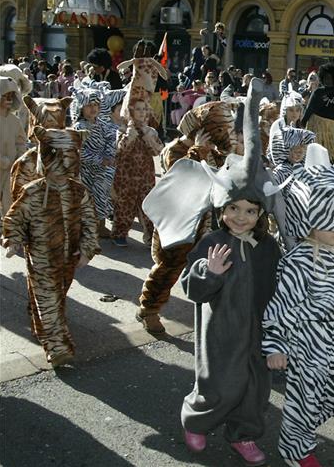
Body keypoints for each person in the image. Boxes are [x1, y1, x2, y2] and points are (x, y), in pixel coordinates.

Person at [142, 80, 281, 465]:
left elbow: (279, 289)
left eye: (250, 211)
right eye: (233, 210)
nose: (241, 217)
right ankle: (197, 421)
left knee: (255, 389)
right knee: (219, 384)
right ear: (220, 211)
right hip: (219, 332)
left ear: (261, 214)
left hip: (257, 329)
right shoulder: (211, 243)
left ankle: (243, 434)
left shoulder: (267, 247)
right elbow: (193, 287)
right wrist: (209, 271)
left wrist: (278, 337)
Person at [263, 144, 334, 467]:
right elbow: (280, 307)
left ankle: (304, 432)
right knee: (304, 398)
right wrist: (274, 346)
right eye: (329, 222)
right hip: (304, 340)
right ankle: (295, 449)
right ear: (308, 218)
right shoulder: (297, 262)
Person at [135, 100, 239, 334]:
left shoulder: (216, 153)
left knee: (216, 267)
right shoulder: (176, 149)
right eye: (220, 130)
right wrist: (197, 151)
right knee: (169, 267)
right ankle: (148, 309)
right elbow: (180, 175)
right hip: (179, 223)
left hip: (207, 224)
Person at [1, 126, 100, 367]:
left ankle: (43, 326)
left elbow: (89, 221)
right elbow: (15, 217)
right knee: (48, 298)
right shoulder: (33, 192)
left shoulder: (78, 192)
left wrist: (87, 249)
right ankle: (57, 347)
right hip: (42, 256)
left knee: (57, 296)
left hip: (70, 257)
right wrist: (12, 240)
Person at [111, 99, 164, 247]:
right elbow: (119, 152)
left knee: (148, 206)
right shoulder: (122, 130)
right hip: (126, 176)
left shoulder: (151, 131)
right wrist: (130, 135)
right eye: (138, 109)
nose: (142, 112)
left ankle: (150, 237)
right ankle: (119, 233)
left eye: (144, 109)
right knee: (124, 205)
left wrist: (149, 138)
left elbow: (158, 151)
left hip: (146, 175)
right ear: (131, 112)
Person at [70, 80, 117, 237]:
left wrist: (109, 155)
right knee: (87, 197)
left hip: (103, 168)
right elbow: (79, 150)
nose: (93, 109)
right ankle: (87, 226)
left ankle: (101, 223)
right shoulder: (79, 127)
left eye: (96, 105)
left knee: (102, 194)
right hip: (86, 169)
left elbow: (112, 138)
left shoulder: (103, 124)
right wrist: (98, 159)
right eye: (89, 105)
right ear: (81, 108)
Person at [301, 63, 334, 163]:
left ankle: (327, 173)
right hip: (316, 125)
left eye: (330, 78)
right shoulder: (318, 92)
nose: (328, 80)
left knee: (329, 156)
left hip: (332, 127)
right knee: (316, 153)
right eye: (326, 78)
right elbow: (309, 108)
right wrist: (303, 122)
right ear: (322, 78)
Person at [0, 77, 27, 218]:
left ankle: (7, 234)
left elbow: (21, 141)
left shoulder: (14, 120)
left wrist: (19, 157)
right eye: (6, 95)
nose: (9, 99)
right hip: (0, 166)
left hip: (11, 169)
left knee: (9, 203)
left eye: (12, 95)